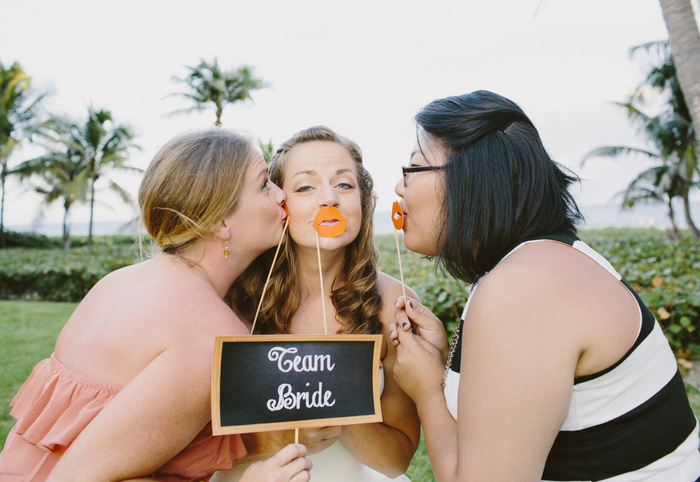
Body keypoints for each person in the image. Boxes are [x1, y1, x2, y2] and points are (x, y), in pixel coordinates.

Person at [389, 91, 700, 482]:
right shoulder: (543, 262)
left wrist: (428, 391)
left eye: (412, 170)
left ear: (472, 179)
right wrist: (442, 361)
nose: (399, 189)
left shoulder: (524, 290)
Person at [0, 129, 312, 481]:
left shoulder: (120, 281)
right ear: (219, 222)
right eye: (263, 184)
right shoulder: (210, 336)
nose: (281, 194)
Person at [213, 126, 420, 482]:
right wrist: (273, 439)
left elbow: (397, 460)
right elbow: (193, 445)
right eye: (305, 187)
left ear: (362, 202)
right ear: (281, 204)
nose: (329, 199)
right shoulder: (234, 299)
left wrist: (340, 406)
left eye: (344, 184)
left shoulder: (393, 303)